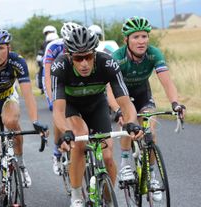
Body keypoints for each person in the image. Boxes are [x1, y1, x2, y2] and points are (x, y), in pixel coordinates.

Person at [51, 26, 142, 207]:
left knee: (108, 157)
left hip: (97, 105)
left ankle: (108, 200)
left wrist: (131, 123)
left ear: (94, 54)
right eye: (78, 58)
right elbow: (58, 111)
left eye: (88, 57)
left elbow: (125, 102)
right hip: (72, 106)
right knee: (80, 138)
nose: (84, 63)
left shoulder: (107, 63)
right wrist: (66, 131)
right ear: (70, 56)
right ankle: (76, 195)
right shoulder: (60, 66)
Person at [107, 16, 186, 201]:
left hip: (143, 93)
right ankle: (126, 162)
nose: (141, 41)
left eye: (144, 36)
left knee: (150, 128)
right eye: (136, 37)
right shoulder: (117, 58)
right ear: (126, 40)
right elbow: (109, 89)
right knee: (128, 122)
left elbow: (167, 82)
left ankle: (151, 176)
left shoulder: (154, 54)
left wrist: (175, 103)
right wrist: (117, 109)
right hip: (122, 95)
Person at [0, 28, 49, 207]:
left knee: (11, 121)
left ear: (8, 47)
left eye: (0, 48)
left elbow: (28, 95)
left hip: (8, 98)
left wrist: (35, 121)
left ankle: (20, 163)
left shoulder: (18, 61)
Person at [42, 22, 81, 175]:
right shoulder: (53, 47)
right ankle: (57, 151)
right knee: (59, 115)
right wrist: (51, 99)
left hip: (76, 84)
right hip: (58, 82)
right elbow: (47, 76)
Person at [36, 25, 58, 94]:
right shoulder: (44, 43)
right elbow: (41, 53)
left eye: (50, 32)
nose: (48, 34)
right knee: (41, 70)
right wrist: (39, 59)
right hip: (46, 61)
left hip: (57, 61)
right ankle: (42, 87)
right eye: (47, 33)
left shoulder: (59, 42)